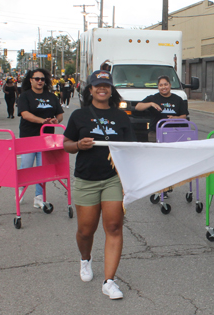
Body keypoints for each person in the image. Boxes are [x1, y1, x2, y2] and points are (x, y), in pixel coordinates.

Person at [63, 70, 135, 299]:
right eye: (97, 85)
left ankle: (109, 281)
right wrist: (77, 145)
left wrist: (128, 178)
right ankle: (85, 259)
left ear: (111, 89)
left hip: (113, 178)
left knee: (114, 227)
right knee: (86, 231)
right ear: (91, 89)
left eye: (106, 85)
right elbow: (66, 144)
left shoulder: (121, 116)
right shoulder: (79, 116)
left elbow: (131, 149)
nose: (102, 89)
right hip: (86, 179)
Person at [17, 69, 64, 207]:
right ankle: (20, 189)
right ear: (30, 80)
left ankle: (39, 196)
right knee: (27, 165)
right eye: (36, 79)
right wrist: (42, 121)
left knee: (42, 168)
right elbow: (25, 114)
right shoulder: (25, 96)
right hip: (29, 137)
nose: (39, 81)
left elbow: (60, 114)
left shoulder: (51, 96)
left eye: (42, 79)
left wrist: (56, 120)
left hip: (47, 138)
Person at [135, 75, 189, 142]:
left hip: (174, 132)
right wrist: (151, 104)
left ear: (170, 85)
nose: (163, 87)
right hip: (155, 132)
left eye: (166, 84)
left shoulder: (178, 99)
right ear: (158, 87)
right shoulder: (153, 98)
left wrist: (175, 118)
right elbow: (138, 107)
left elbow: (184, 116)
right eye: (161, 85)